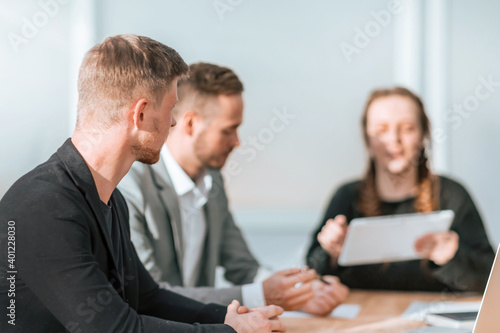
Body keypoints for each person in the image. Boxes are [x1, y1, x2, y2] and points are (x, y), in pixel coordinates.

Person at [0, 34, 286, 333]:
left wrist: (226, 318)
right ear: (141, 114)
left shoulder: (111, 199)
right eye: (171, 109)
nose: (174, 123)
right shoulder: (43, 205)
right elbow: (115, 329)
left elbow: (147, 299)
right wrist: (231, 332)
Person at [118, 62, 349, 316]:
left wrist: (300, 291)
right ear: (191, 123)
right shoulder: (132, 186)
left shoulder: (213, 181)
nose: (237, 142)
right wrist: (262, 295)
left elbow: (243, 267)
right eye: (228, 130)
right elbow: (150, 294)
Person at [306, 86, 495, 292]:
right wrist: (331, 254)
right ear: (368, 138)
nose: (394, 140)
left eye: (407, 128)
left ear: (423, 135)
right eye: (381, 129)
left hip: (432, 322)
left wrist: (452, 258)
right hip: (361, 322)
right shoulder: (347, 196)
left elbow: (490, 282)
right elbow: (312, 274)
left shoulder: (451, 195)